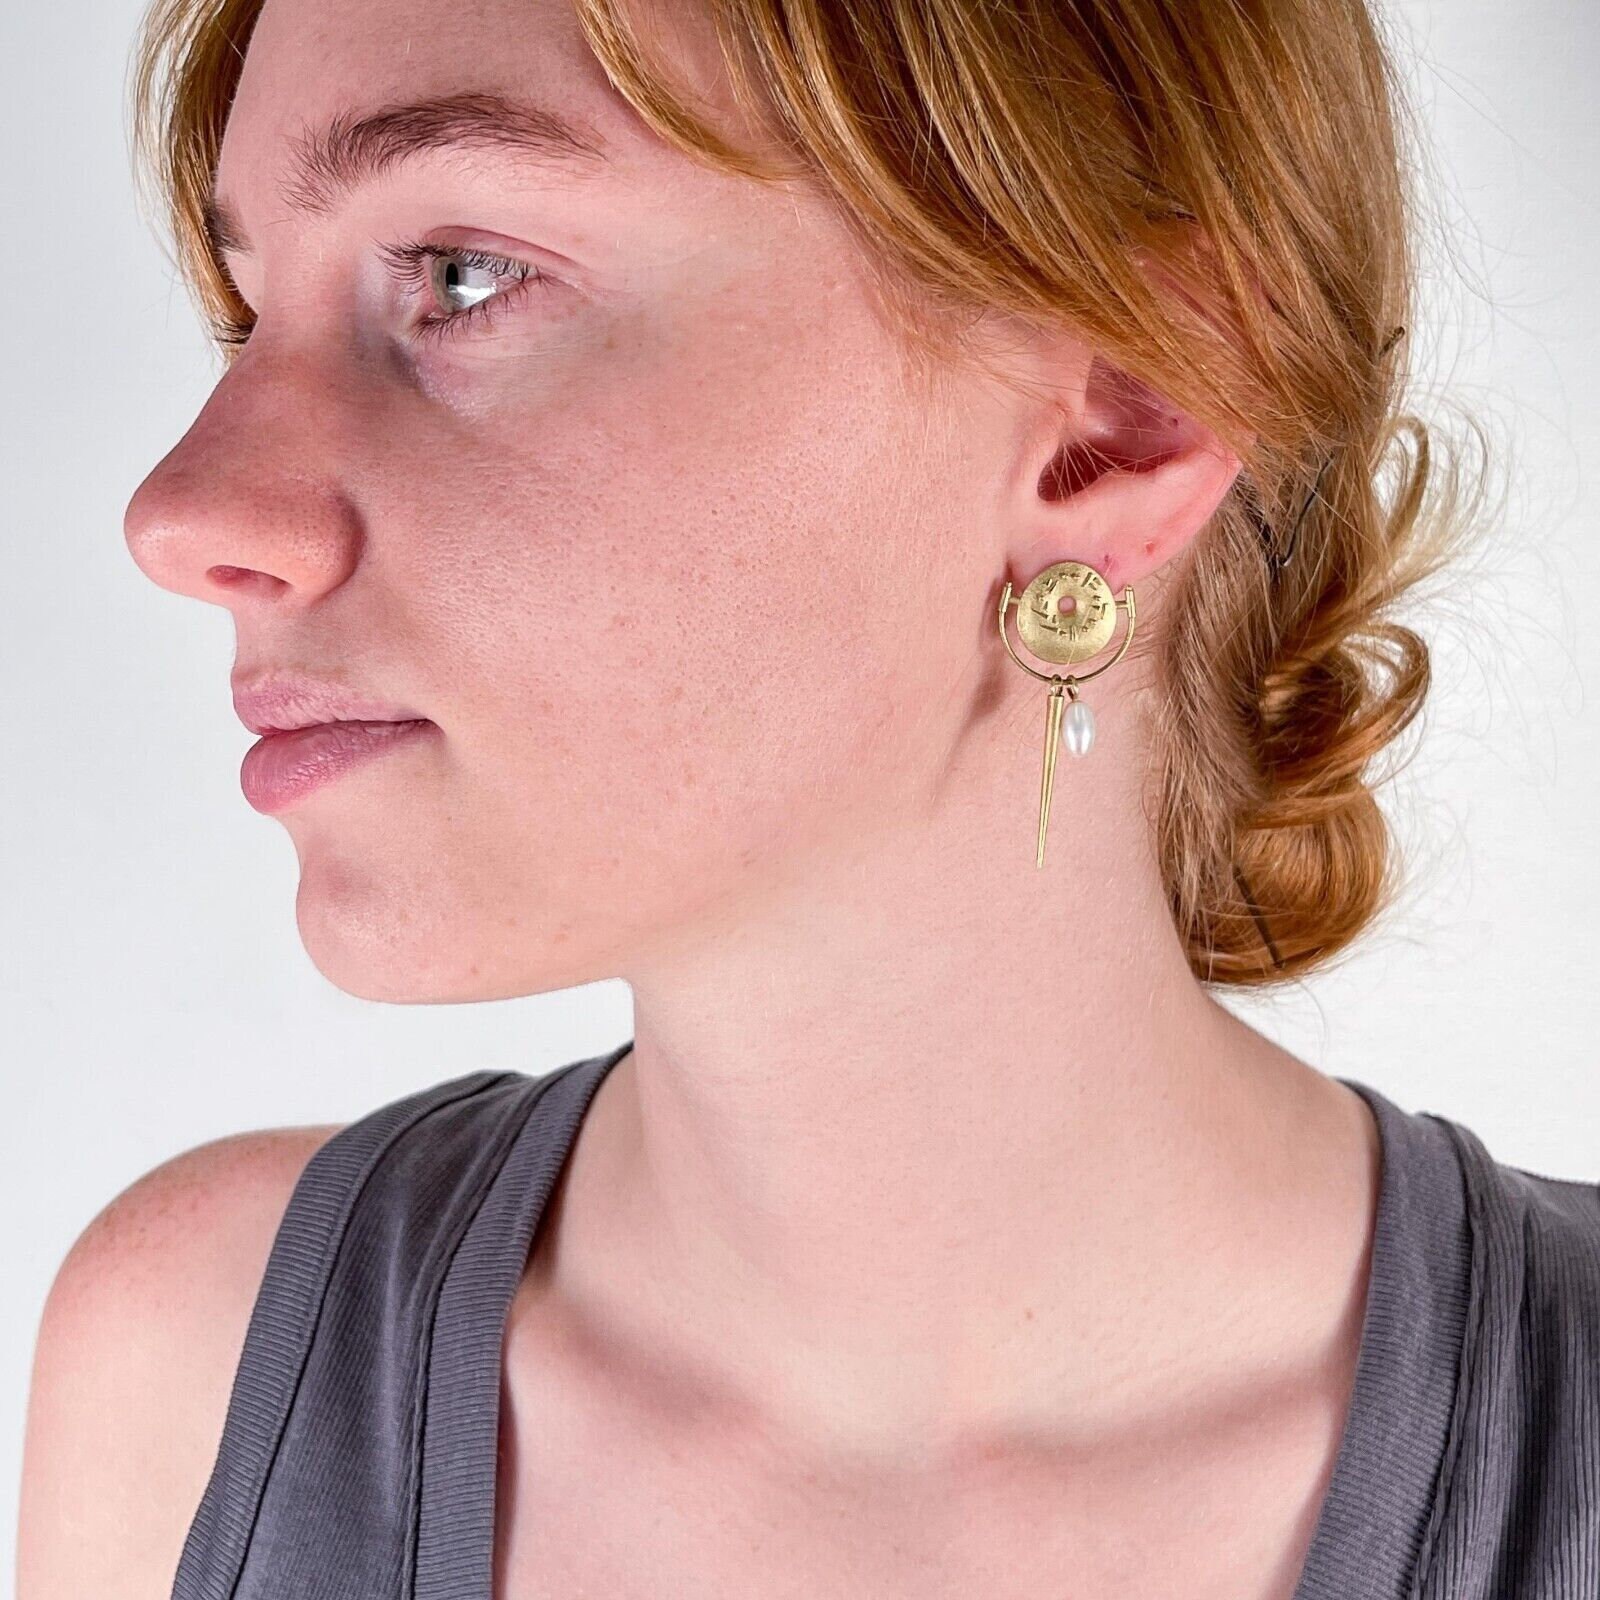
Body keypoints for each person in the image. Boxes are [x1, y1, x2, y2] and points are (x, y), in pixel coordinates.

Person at [16, 0, 1599, 1595]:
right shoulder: (196, 1369)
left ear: (1120, 421)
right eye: (245, 318)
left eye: (463, 274)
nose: (182, 513)